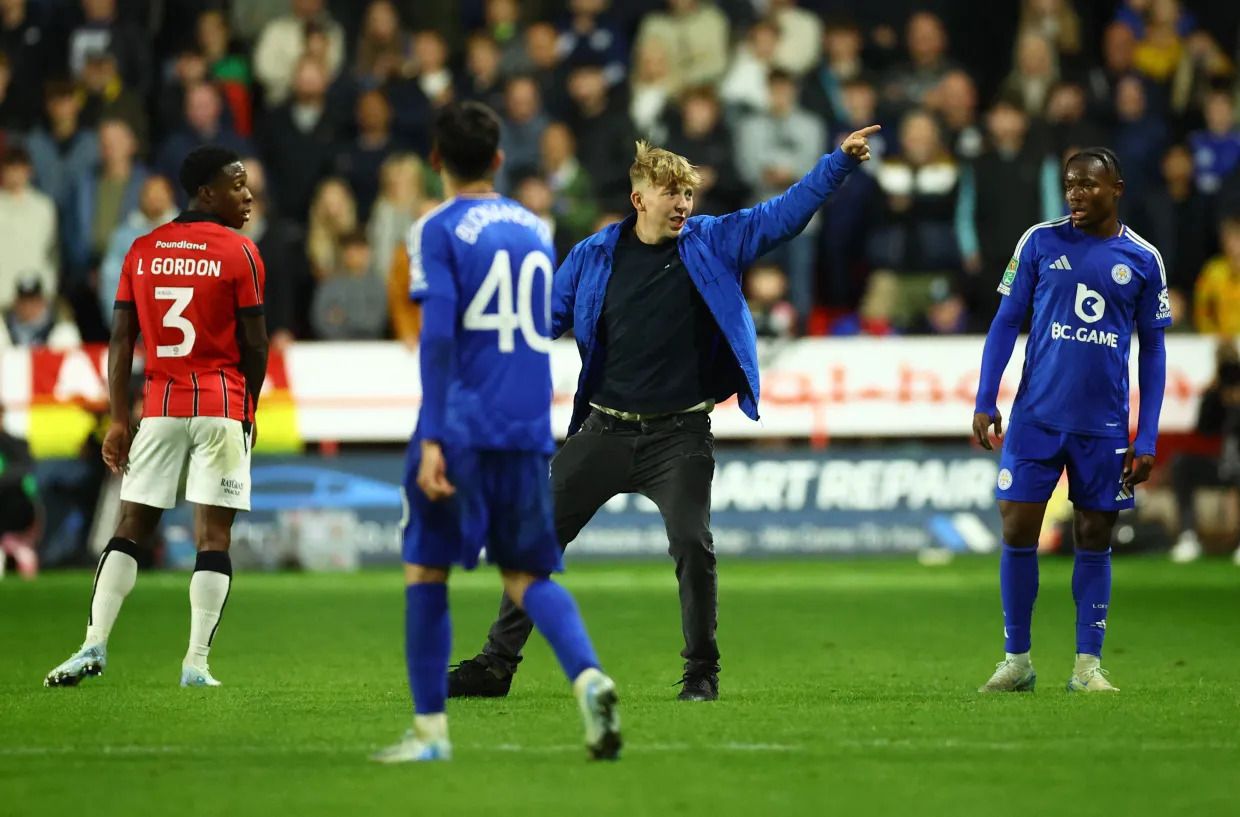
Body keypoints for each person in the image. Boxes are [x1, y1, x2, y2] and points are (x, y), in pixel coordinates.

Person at [447, 123, 879, 703]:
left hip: (679, 435)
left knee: (693, 546)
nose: (681, 204)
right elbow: (540, 322)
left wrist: (838, 164)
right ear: (639, 199)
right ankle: (497, 666)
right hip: (604, 429)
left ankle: (701, 672)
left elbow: (783, 215)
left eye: (688, 193)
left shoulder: (713, 241)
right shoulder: (593, 257)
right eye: (671, 192)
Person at [371, 101, 620, 763]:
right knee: (527, 571)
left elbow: (440, 337)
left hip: (462, 425)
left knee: (426, 567)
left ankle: (430, 735)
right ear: (500, 160)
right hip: (526, 423)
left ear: (434, 161)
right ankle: (589, 677)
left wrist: (431, 438)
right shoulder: (534, 226)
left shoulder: (435, 228)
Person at [43, 146, 269, 689]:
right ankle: (196, 663)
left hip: (161, 406)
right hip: (219, 403)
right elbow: (255, 343)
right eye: (238, 186)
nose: (248, 195)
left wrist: (120, 419)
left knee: (130, 528)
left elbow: (121, 341)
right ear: (207, 192)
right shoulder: (240, 252)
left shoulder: (143, 250)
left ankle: (93, 643)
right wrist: (249, 408)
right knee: (213, 536)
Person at [972, 147, 1171, 694]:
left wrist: (1145, 435)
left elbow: (1152, 353)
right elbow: (1007, 319)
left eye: (1088, 185)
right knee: (1017, 527)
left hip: (1103, 425)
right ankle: (1017, 660)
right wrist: (986, 397)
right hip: (1036, 417)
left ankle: (1087, 666)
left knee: (1094, 533)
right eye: (1070, 185)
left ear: (1117, 188)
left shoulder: (1143, 259)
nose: (1076, 195)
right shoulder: (1039, 241)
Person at [1168, 337, 1240, 564]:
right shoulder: (1216, 393)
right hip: (1222, 464)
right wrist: (1212, 397)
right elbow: (1204, 429)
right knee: (1182, 464)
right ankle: (1188, 536)